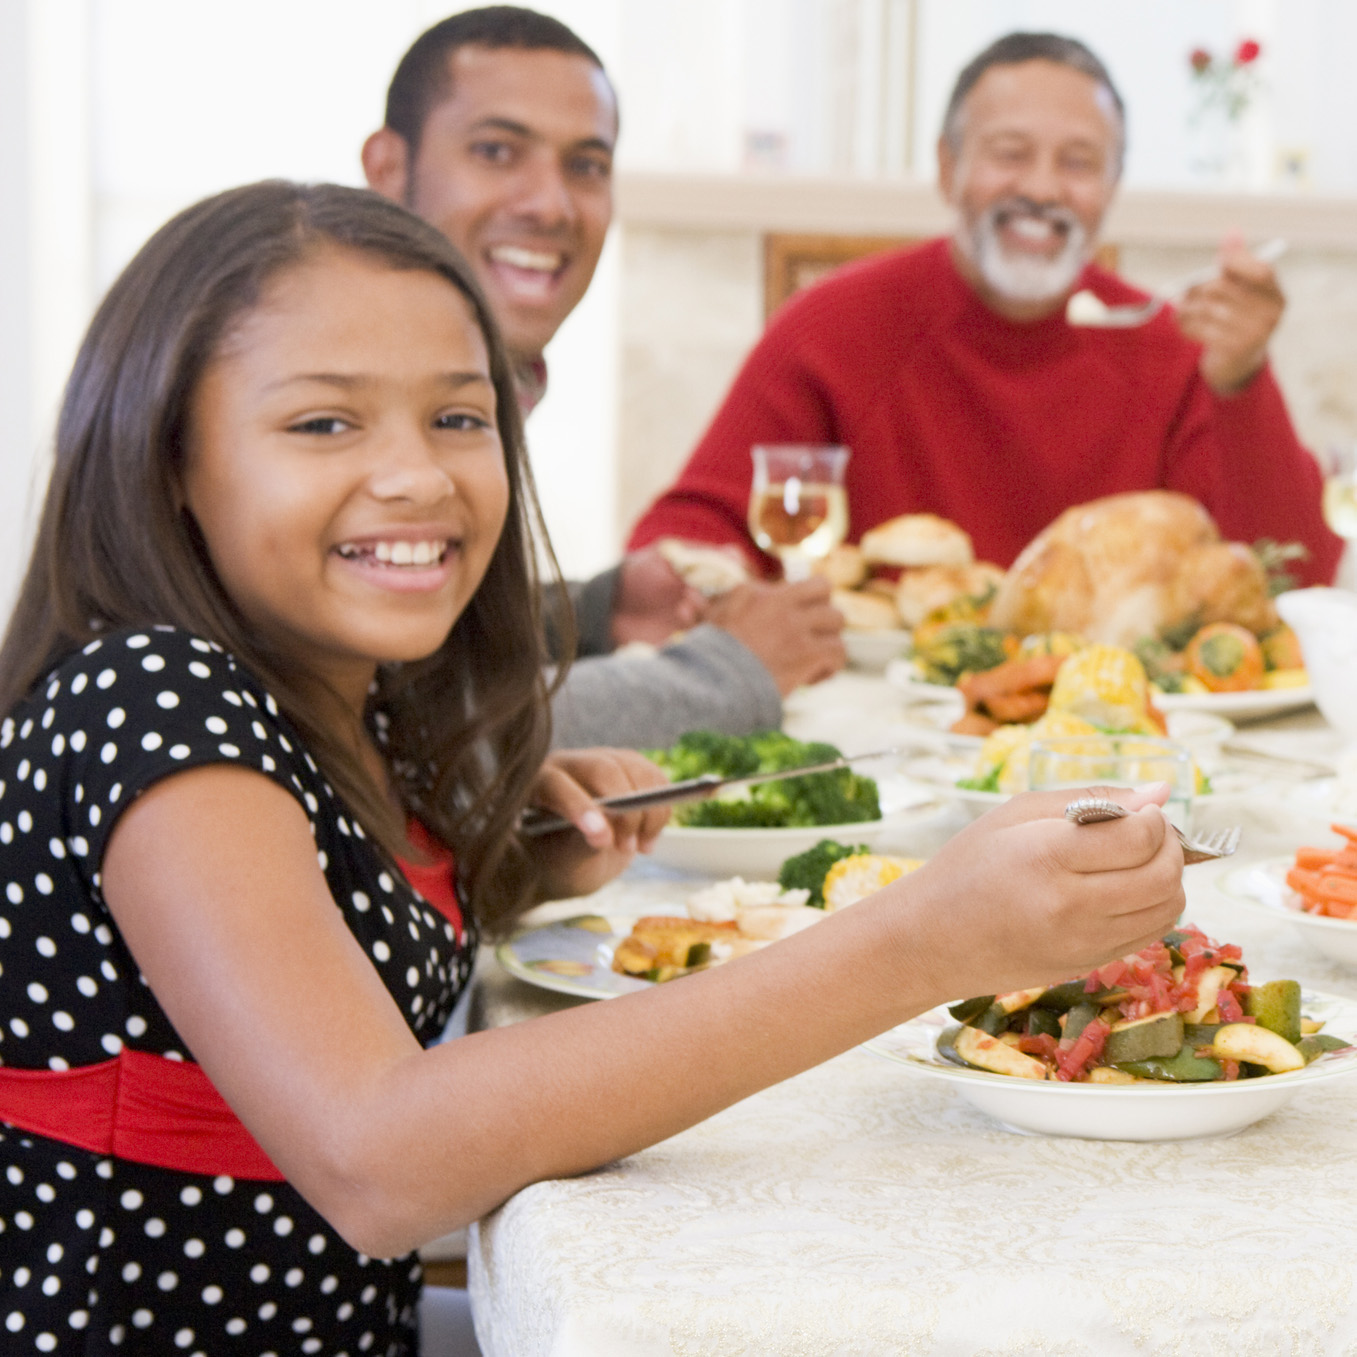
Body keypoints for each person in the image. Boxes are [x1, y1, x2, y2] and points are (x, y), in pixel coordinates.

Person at [0, 179, 1188, 1355]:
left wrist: (508, 867)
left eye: (459, 418)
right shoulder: (154, 698)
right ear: (165, 457)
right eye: (325, 422)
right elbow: (380, 1160)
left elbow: (283, 960)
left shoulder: (331, 690)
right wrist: (924, 940)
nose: (418, 475)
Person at [627, 31, 1343, 588]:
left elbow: (1292, 578)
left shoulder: (1169, 348)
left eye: (1078, 162)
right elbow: (691, 532)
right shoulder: (833, 327)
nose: (1041, 187)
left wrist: (1240, 381)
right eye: (1009, 153)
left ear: (1112, 186)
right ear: (947, 167)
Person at [362, 6, 845, 749]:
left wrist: (591, 613)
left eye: (585, 166)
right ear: (388, 170)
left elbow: (413, 653)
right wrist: (728, 671)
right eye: (496, 151)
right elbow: (397, 734)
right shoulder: (340, 375)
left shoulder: (492, 373)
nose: (550, 204)